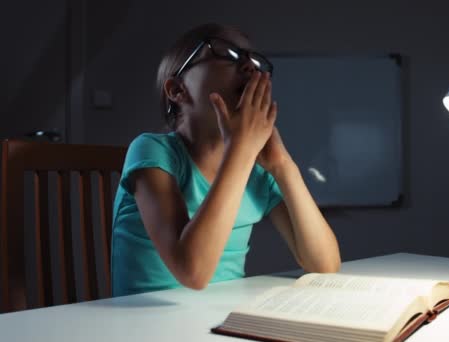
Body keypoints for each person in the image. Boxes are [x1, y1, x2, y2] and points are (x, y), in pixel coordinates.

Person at [111, 23, 341, 296]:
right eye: (227, 53)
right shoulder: (151, 151)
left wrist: (283, 166)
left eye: (255, 62)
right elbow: (192, 273)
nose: (250, 68)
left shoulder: (257, 168)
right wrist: (241, 151)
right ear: (177, 90)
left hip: (221, 316)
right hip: (142, 322)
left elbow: (324, 265)